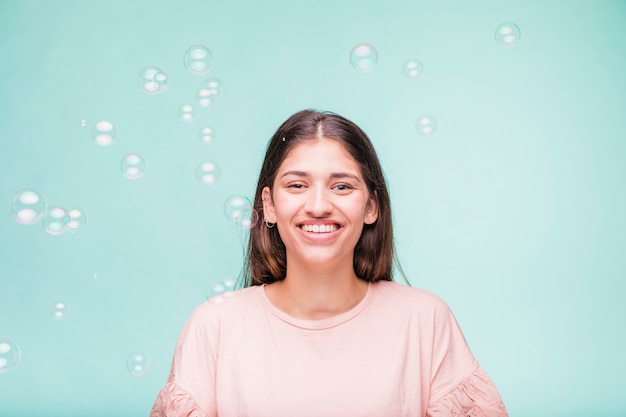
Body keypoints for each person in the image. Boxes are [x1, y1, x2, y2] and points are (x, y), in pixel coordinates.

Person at [150, 109, 508, 417]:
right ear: (269, 205)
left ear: (372, 207)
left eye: (341, 187)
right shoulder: (213, 327)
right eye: (296, 185)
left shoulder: (426, 320)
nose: (319, 206)